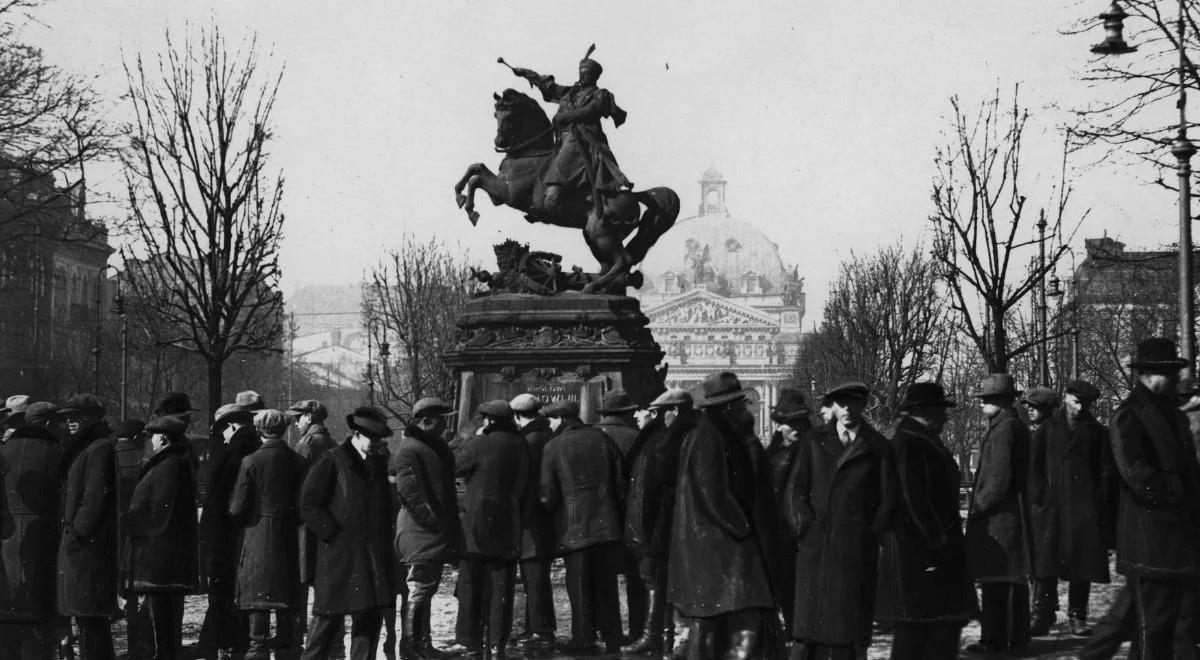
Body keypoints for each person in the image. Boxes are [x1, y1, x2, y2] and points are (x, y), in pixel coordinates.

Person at [1081, 339, 1200, 659]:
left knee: (1150, 622)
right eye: (1169, 373)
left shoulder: (1172, 415)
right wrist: (1179, 490)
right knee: (1155, 629)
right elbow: (1136, 474)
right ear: (1147, 374)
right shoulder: (1130, 415)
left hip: (1175, 543)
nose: (1176, 379)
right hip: (1151, 542)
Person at [784, 381, 896, 660]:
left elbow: (889, 500)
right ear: (832, 407)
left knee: (849, 638)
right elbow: (795, 492)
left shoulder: (878, 446)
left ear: (862, 405)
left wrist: (868, 536)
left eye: (853, 402)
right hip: (816, 551)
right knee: (809, 637)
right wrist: (806, 530)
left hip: (854, 553)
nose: (847, 408)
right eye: (841, 403)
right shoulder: (813, 441)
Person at [875, 383, 976, 660]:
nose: (945, 416)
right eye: (941, 410)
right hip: (924, 551)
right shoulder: (911, 442)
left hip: (928, 548)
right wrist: (937, 538)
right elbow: (913, 497)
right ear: (926, 412)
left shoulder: (920, 438)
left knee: (932, 627)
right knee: (923, 629)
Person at [300, 407, 397, 660]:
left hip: (371, 558)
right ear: (355, 434)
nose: (377, 444)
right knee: (326, 623)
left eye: (380, 440)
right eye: (372, 439)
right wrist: (332, 534)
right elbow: (309, 505)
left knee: (368, 621)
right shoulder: (331, 461)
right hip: (338, 558)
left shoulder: (377, 464)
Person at [1028, 379, 1115, 638]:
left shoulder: (1097, 432)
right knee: (1046, 565)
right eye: (1076, 401)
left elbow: (1106, 473)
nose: (1080, 408)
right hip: (1051, 508)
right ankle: (1042, 614)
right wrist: (1039, 499)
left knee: (1082, 563)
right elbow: (1035, 468)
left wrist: (1099, 505)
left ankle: (1077, 615)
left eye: (1085, 404)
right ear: (1065, 398)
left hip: (1083, 510)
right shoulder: (1048, 429)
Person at [539, 399, 625, 654]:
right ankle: (612, 636)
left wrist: (551, 513)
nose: (550, 425)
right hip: (606, 524)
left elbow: (546, 492)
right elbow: (620, 481)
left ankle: (584, 638)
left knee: (579, 585)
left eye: (552, 420)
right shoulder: (602, 438)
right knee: (607, 583)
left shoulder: (553, 446)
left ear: (562, 420)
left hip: (573, 527)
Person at [510, 47, 631, 216]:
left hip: (584, 139)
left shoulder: (601, 94)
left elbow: (591, 110)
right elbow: (548, 86)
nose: (582, 76)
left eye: (586, 73)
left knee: (569, 148)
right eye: (580, 72)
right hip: (562, 139)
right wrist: (525, 73)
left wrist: (566, 116)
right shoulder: (569, 92)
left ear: (594, 76)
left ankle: (552, 197)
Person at [450, 401, 529, 658]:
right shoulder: (521, 444)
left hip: (476, 523)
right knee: (502, 586)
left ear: (490, 421)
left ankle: (468, 639)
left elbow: (456, 467)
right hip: (508, 521)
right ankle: (497, 642)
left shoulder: (479, 443)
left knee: (470, 582)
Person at [229, 410, 308, 660]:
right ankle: (287, 646)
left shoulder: (250, 461)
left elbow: (236, 508)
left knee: (258, 594)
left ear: (259, 430)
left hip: (257, 534)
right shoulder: (298, 461)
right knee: (286, 593)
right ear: (284, 429)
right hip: (288, 535)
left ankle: (258, 647)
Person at [621, 389, 695, 655]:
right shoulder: (660, 438)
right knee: (656, 578)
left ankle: (664, 636)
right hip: (657, 522)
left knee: (661, 579)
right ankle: (661, 635)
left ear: (673, 411)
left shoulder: (672, 439)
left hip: (664, 521)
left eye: (658, 412)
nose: (653, 417)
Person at [964, 373, 1034, 654]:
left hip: (1000, 518)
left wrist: (978, 508)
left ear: (1002, 402)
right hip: (1007, 515)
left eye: (987, 400)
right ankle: (1011, 640)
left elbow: (998, 480)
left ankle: (997, 642)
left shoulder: (1004, 429)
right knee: (1007, 581)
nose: (982, 405)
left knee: (999, 582)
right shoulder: (1009, 425)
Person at [124, 415, 199, 660]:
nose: (151, 441)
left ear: (162, 438)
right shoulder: (171, 462)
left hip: (159, 558)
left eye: (152, 436)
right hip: (161, 557)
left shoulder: (169, 465)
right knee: (163, 620)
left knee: (163, 623)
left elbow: (159, 512)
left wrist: (133, 523)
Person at [392, 398, 463, 659]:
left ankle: (423, 645)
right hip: (420, 530)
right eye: (441, 419)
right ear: (425, 421)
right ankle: (412, 649)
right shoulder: (410, 449)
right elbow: (410, 493)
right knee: (420, 587)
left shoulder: (429, 446)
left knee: (426, 587)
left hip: (429, 530)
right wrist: (435, 521)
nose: (445, 423)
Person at [57, 394, 119, 660]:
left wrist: (76, 532)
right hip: (83, 545)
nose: (70, 421)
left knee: (90, 617)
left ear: (92, 419)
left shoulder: (98, 447)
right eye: (67, 417)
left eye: (76, 416)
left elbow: (94, 498)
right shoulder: (86, 447)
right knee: (87, 618)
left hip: (87, 548)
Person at [0, 402, 64, 659]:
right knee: (40, 615)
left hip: (7, 541)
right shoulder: (57, 451)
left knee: (9, 613)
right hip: (43, 539)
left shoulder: (5, 450)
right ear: (48, 424)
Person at [199, 403, 259, 660]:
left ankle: (220, 642)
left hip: (226, 536)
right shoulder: (248, 450)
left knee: (222, 592)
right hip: (239, 535)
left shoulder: (233, 455)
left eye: (222, 430)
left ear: (232, 427)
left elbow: (221, 501)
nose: (221, 436)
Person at [286, 400, 344, 659]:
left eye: (298, 418)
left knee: (300, 587)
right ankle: (335, 645)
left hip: (305, 528)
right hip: (327, 526)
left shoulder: (305, 445)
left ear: (309, 417)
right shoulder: (335, 445)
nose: (296, 423)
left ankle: (300, 643)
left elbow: (297, 490)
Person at [593, 390, 647, 644]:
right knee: (637, 579)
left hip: (599, 520)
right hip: (632, 519)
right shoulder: (637, 438)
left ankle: (609, 631)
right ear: (626, 413)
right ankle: (638, 630)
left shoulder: (591, 436)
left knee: (603, 579)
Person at [509, 394, 557, 654]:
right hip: (543, 516)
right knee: (536, 575)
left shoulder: (528, 441)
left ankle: (541, 630)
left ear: (518, 416)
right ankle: (536, 626)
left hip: (531, 518)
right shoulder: (545, 435)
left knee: (535, 576)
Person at [112, 419, 151, 659]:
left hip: (114, 532)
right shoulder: (145, 459)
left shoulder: (108, 456)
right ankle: (142, 642)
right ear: (138, 436)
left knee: (123, 588)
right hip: (141, 532)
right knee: (141, 588)